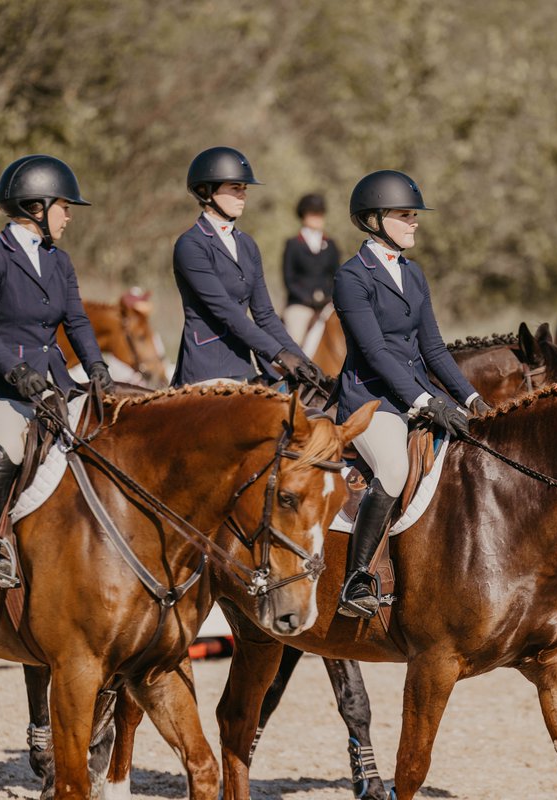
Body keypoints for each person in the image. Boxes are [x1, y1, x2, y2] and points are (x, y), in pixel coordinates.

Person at [331, 170, 492, 618]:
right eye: (405, 215)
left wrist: (472, 399)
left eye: (414, 215)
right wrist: (428, 404)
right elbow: (376, 352)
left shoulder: (413, 274)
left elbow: (434, 349)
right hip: (371, 401)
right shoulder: (352, 277)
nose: (414, 222)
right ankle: (357, 578)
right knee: (395, 466)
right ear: (375, 219)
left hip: (418, 392)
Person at [0, 154, 114, 592]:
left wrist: (97, 366)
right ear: (36, 207)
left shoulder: (58, 261)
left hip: (54, 383)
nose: (69, 217)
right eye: (64, 207)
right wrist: (16, 371)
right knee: (8, 450)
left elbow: (77, 322)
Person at [171, 146, 325, 388]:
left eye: (244, 189)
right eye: (235, 188)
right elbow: (226, 311)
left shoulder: (247, 245)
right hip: (208, 369)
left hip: (246, 366)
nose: (243, 195)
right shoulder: (191, 245)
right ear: (206, 191)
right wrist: (280, 355)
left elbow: (264, 314)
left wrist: (302, 359)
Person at [281, 193, 341, 345]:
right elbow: (289, 279)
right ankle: (293, 368)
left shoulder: (331, 244)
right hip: (300, 304)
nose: (318, 217)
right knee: (296, 338)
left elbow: (336, 274)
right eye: (314, 214)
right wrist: (307, 298)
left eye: (320, 214)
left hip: (327, 304)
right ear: (304, 216)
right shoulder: (293, 244)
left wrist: (328, 297)